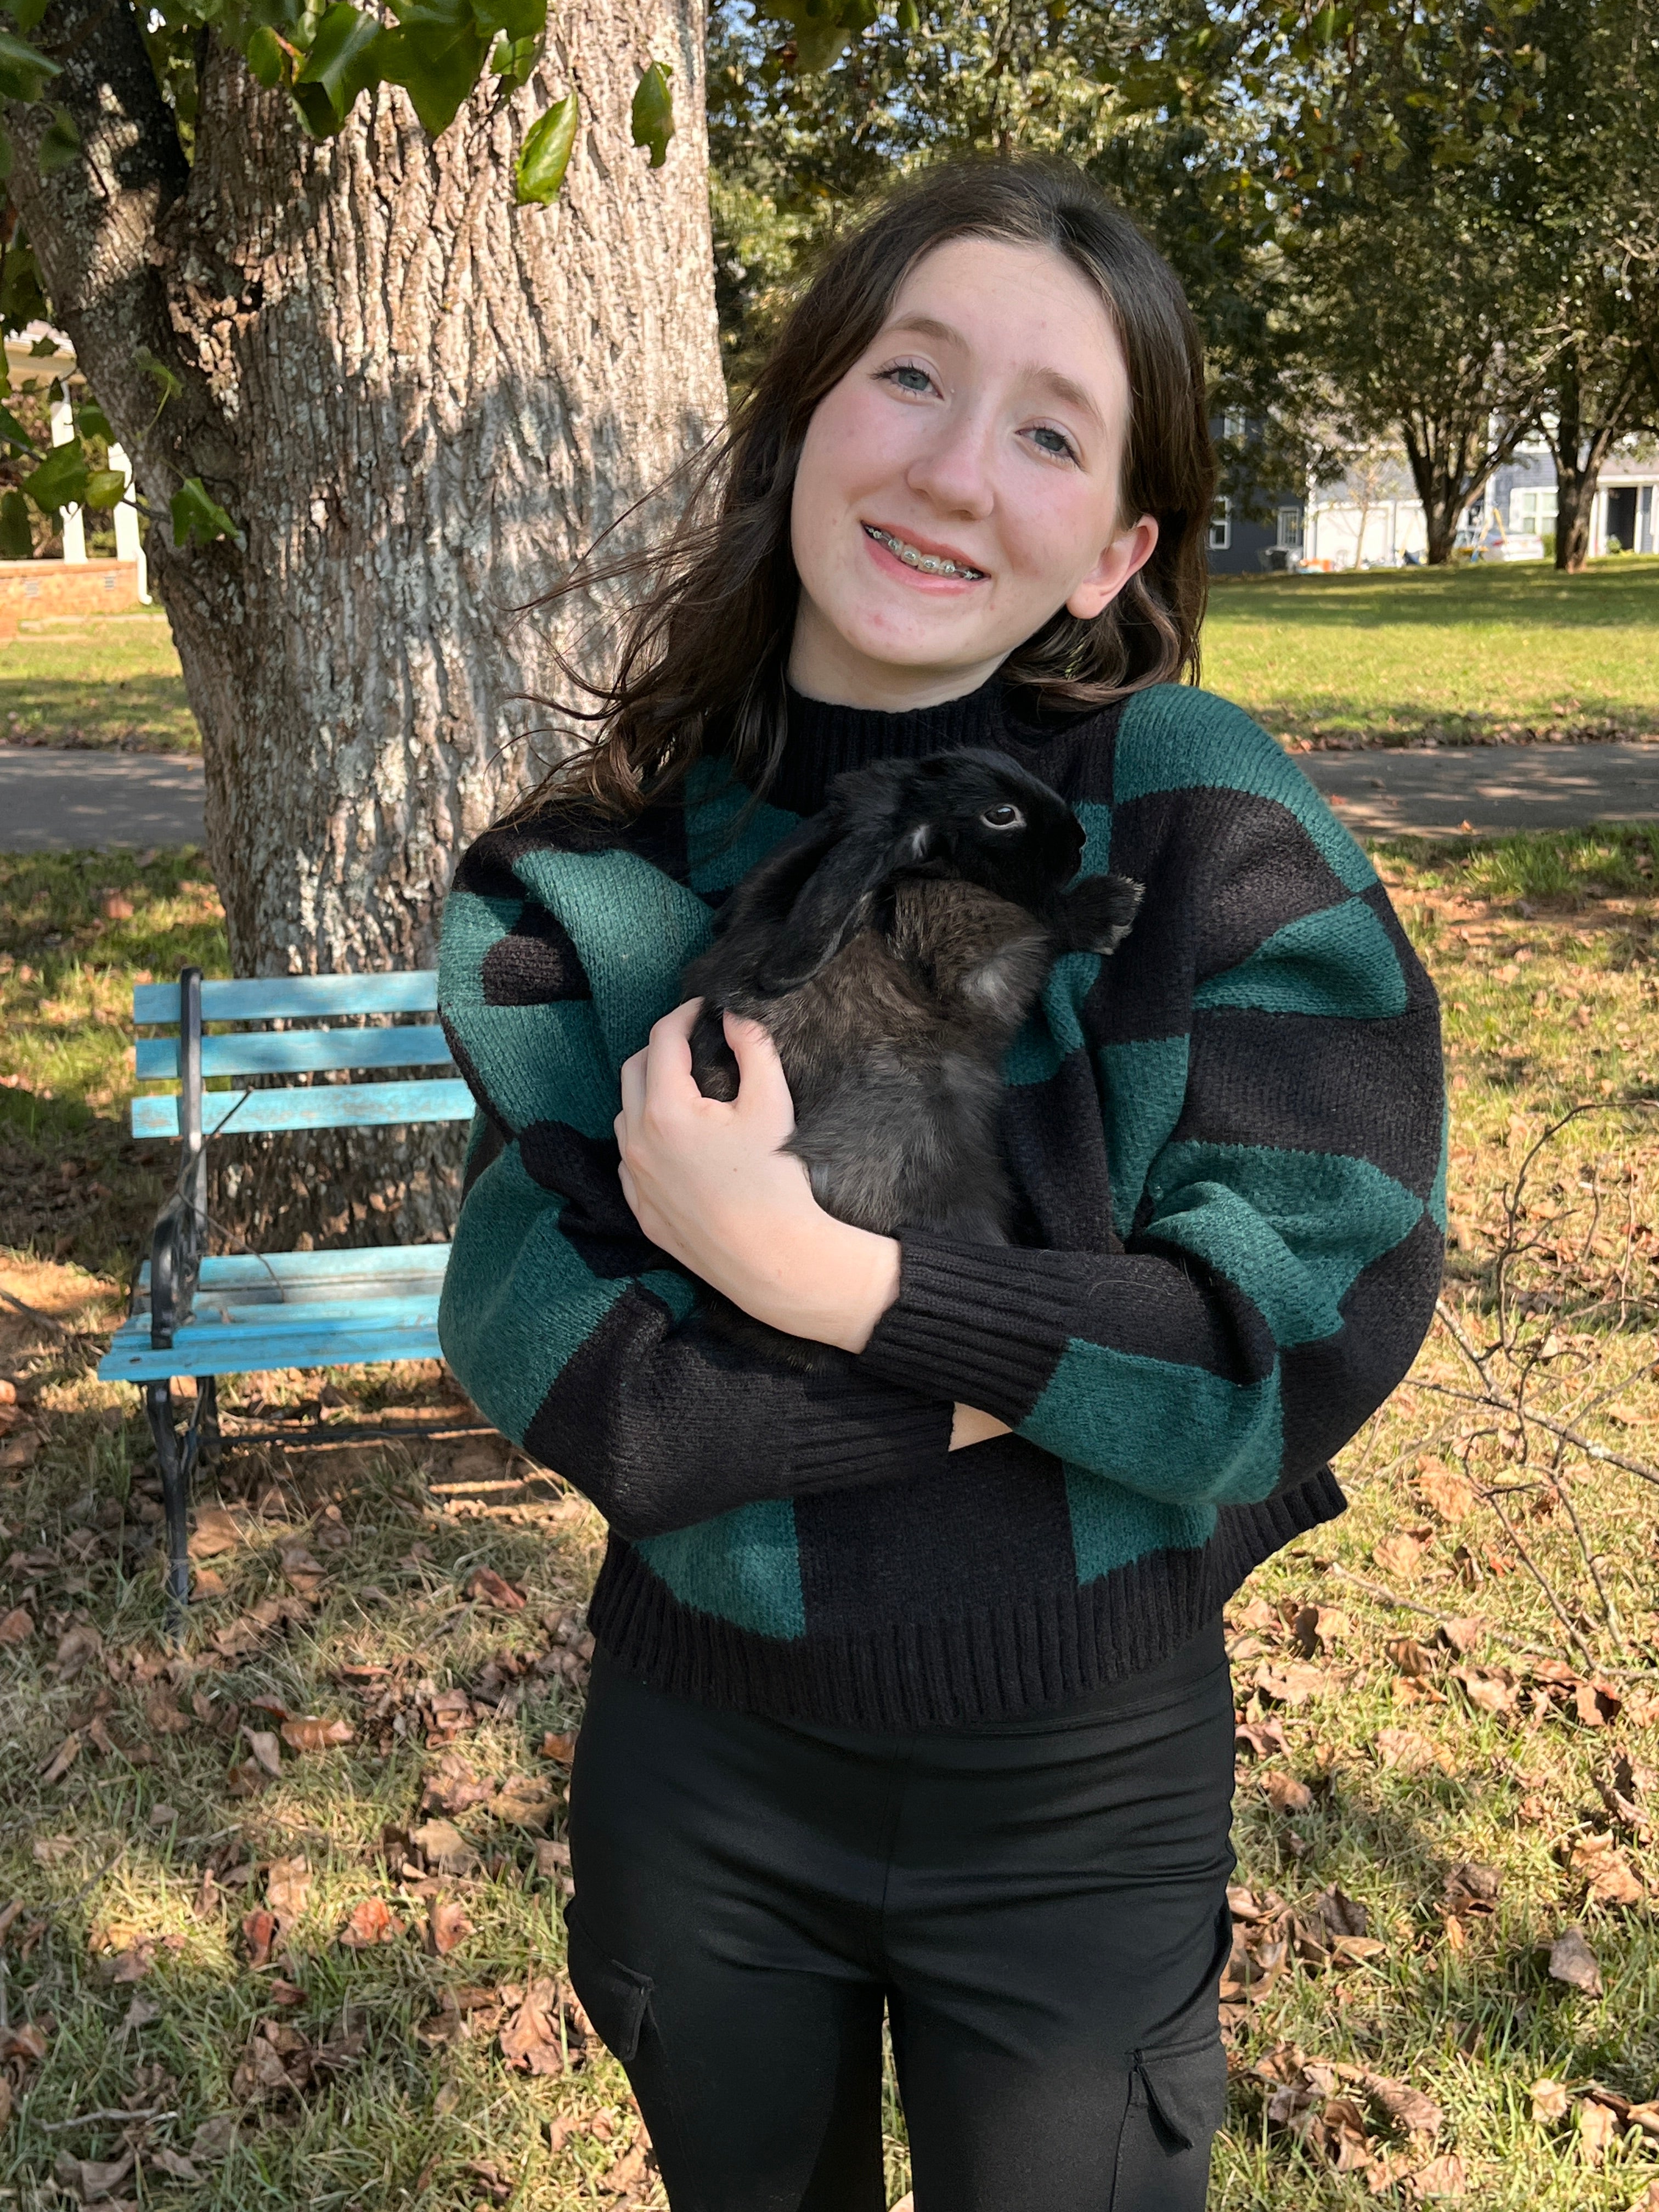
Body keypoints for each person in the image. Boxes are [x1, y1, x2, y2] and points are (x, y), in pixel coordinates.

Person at [437, 158, 1444, 2211]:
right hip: (700, 1779)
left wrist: (802, 1274)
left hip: (1083, 1780)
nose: (958, 474)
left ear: (1117, 549)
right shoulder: (578, 890)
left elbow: (1292, 1329)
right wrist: (1061, 1377)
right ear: (808, 410)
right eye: (912, 376)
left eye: (1052, 430)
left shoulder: (1195, 826)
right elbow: (571, 1366)